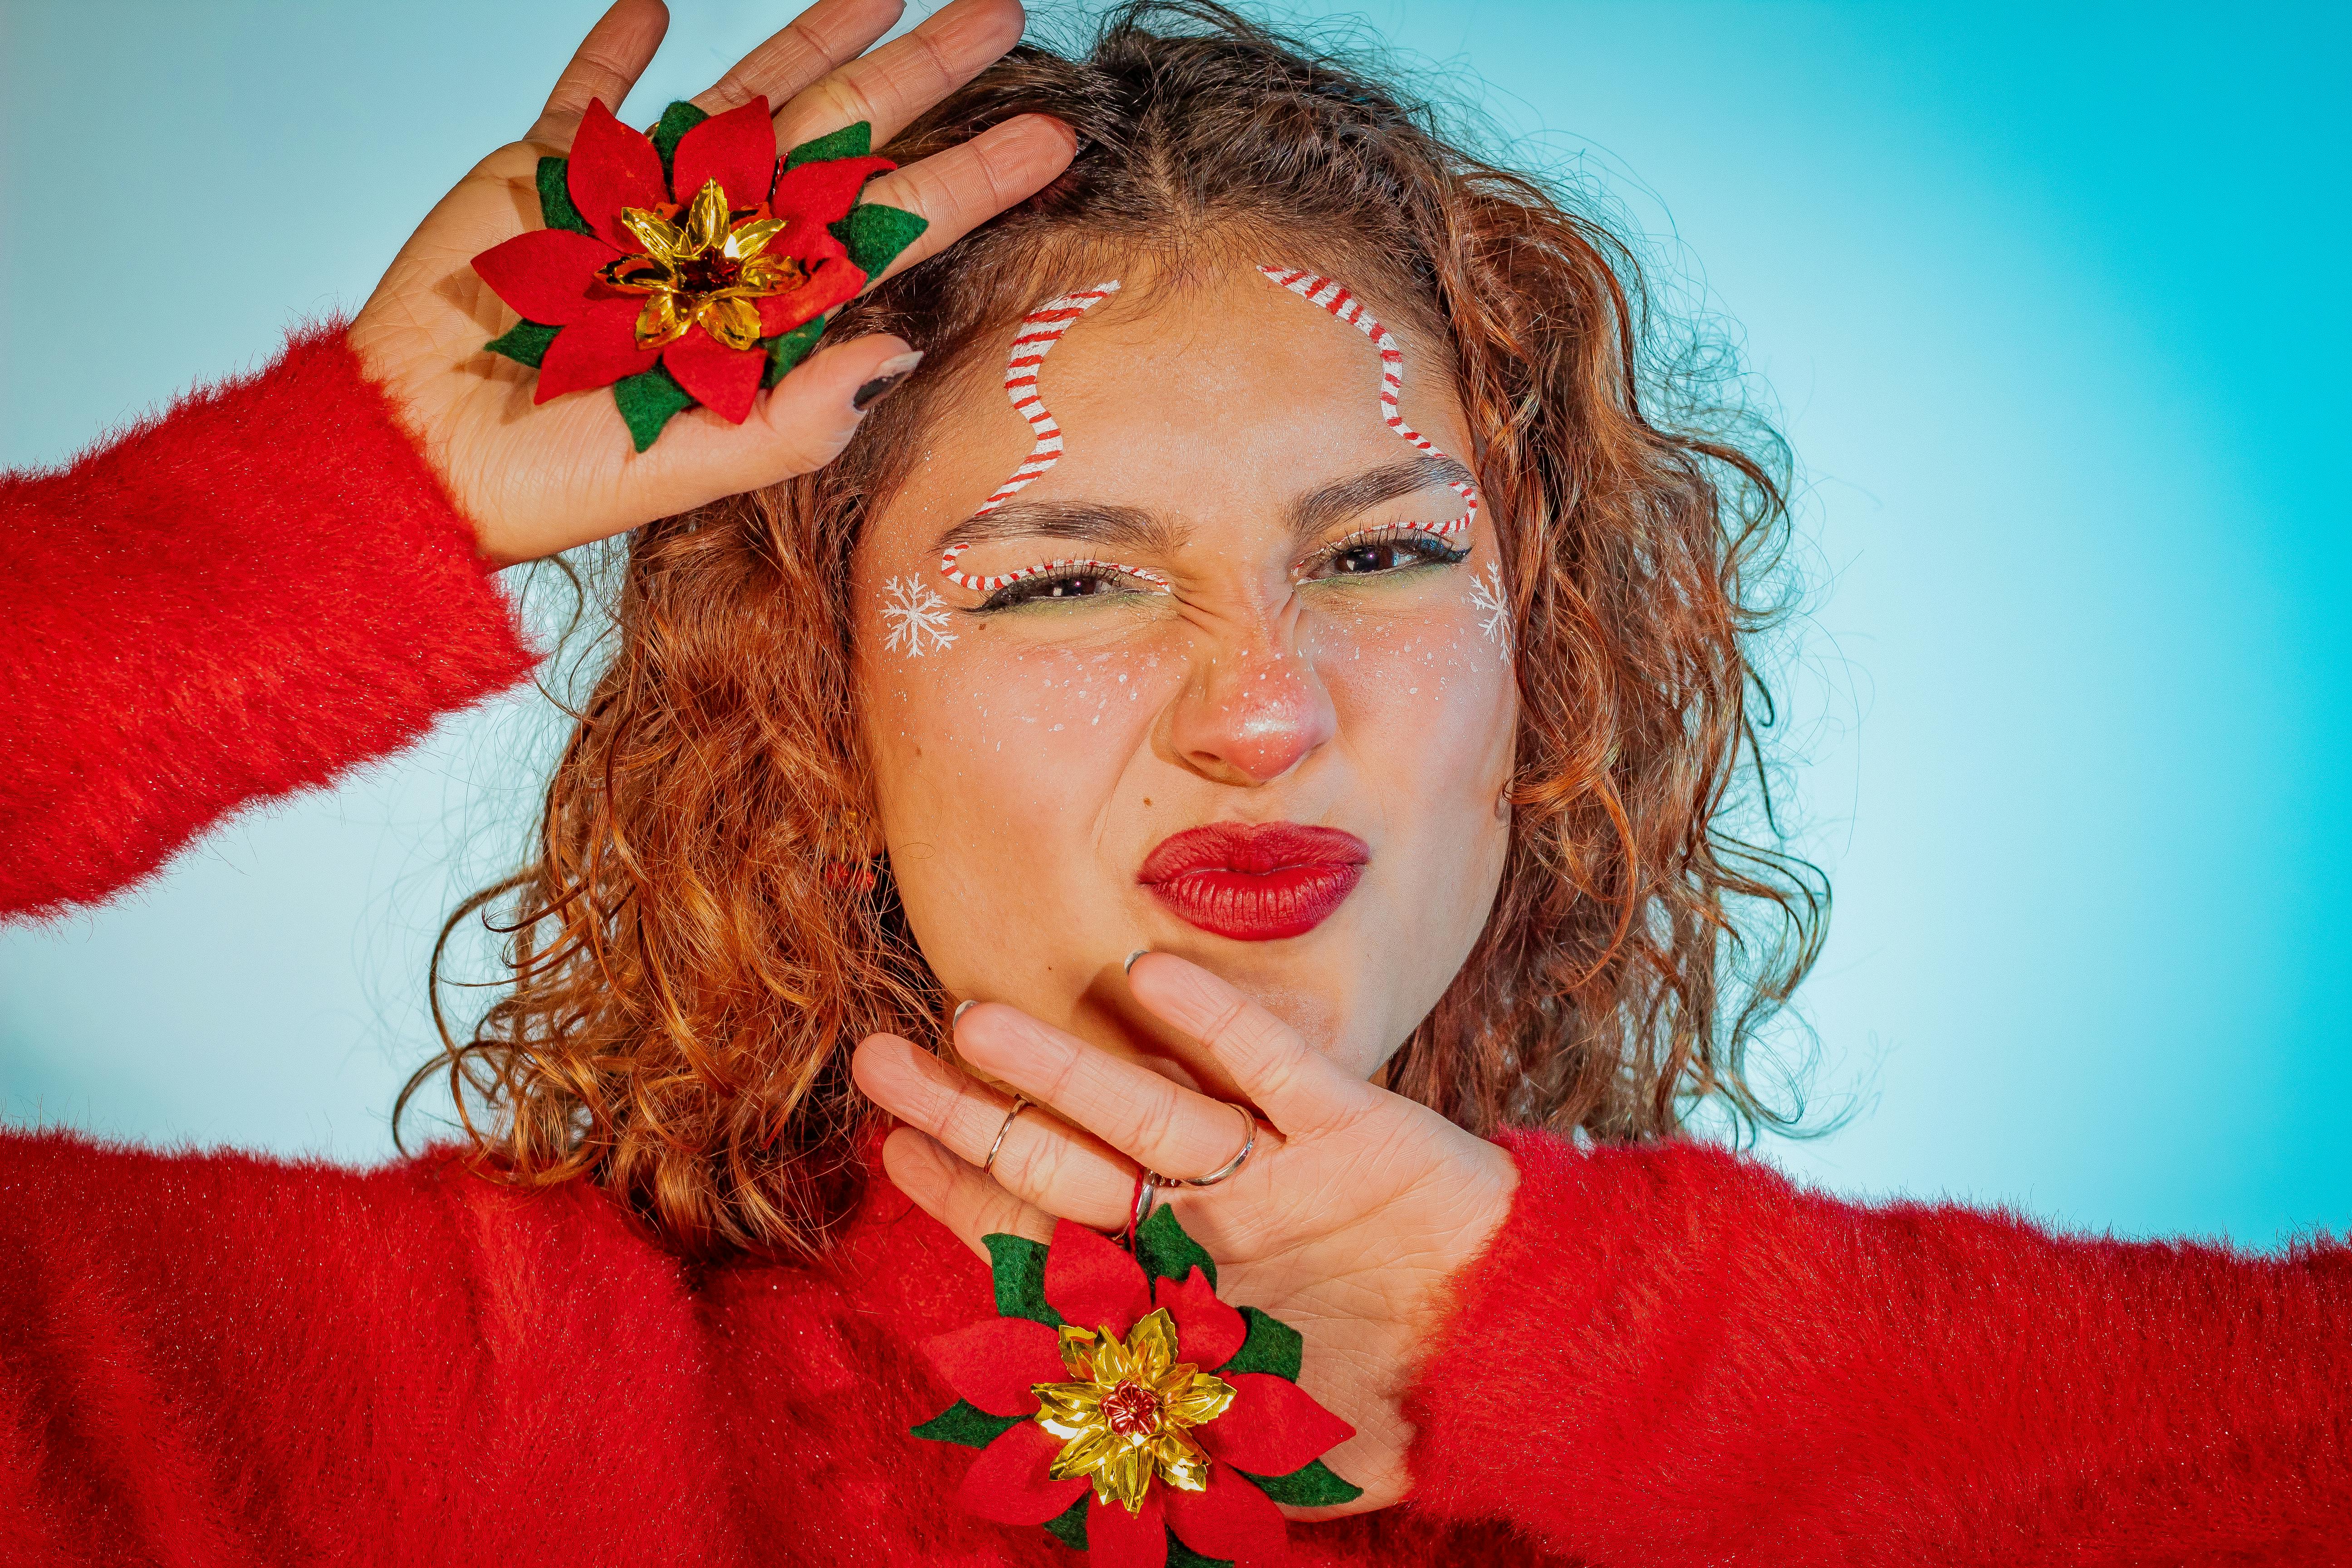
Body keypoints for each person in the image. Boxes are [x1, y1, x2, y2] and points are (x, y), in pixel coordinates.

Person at [2, 0, 2345, 1562]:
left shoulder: (1811, 1448)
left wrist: (1533, 1336)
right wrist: (324, 506)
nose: (1259, 706)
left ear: (1563, 680)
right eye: (1060, 585)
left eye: (1387, 552)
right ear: (808, 708)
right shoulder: (430, 1427)